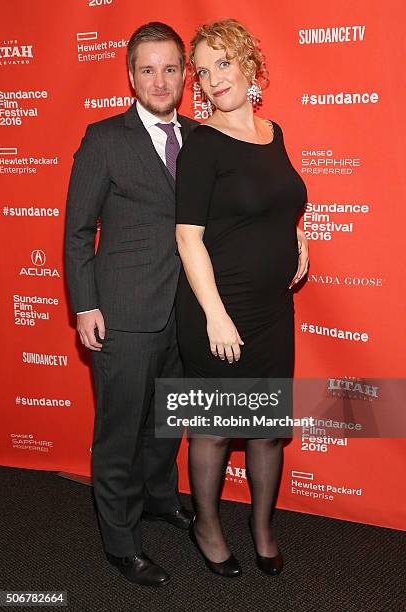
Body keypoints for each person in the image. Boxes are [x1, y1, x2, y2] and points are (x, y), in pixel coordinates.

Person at [64, 22, 197, 587]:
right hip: (123, 313)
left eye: (170, 68)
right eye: (148, 69)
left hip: (185, 312)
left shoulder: (201, 136)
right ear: (130, 75)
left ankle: (158, 498)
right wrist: (86, 305)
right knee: (120, 430)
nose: (160, 80)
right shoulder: (104, 138)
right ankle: (120, 541)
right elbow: (77, 231)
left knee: (168, 422)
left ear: (184, 75)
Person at [175, 19, 309, 578]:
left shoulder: (272, 132)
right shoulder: (201, 144)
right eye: (202, 72)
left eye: (221, 63)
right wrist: (216, 317)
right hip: (218, 312)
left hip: (273, 311)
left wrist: (294, 236)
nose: (211, 79)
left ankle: (261, 527)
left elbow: (274, 199)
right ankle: (206, 527)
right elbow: (188, 236)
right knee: (211, 426)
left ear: (249, 65)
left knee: (266, 431)